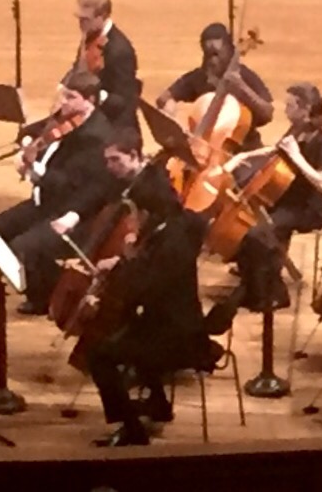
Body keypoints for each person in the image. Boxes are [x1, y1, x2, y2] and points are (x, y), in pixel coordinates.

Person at [87, 130, 210, 447]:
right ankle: (157, 403)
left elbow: (143, 288)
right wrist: (122, 262)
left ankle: (132, 430)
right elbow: (145, 271)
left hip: (178, 336)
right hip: (172, 321)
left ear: (146, 212)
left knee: (99, 355)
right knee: (132, 332)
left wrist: (110, 285)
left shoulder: (170, 243)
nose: (131, 223)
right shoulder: (170, 229)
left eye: (134, 215)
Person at [0, 70, 116, 314]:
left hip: (69, 211)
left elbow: (71, 185)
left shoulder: (96, 137)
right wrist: (27, 143)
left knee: (24, 247)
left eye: (71, 97)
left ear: (89, 100)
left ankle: (46, 295)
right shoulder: (65, 118)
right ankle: (35, 283)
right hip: (44, 201)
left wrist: (35, 170)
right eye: (63, 95)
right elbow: (31, 131)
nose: (63, 102)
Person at [222, 83, 322, 312]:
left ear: (305, 109)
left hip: (306, 206)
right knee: (245, 228)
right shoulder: (296, 129)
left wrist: (297, 156)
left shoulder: (321, 142)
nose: (285, 109)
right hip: (286, 198)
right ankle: (252, 287)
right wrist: (243, 156)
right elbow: (277, 150)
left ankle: (276, 293)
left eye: (290, 105)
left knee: (258, 234)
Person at [159, 23, 275, 151]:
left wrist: (242, 88)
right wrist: (173, 115)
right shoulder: (199, 77)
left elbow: (267, 113)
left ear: (228, 51)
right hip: (204, 149)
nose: (212, 60)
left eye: (216, 54)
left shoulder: (244, 76)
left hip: (244, 150)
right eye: (207, 54)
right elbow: (163, 99)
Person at [74, 0, 141, 129]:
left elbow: (124, 100)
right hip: (90, 119)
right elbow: (78, 71)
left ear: (102, 16)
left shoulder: (119, 50)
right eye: (79, 19)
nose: (81, 24)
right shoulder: (90, 37)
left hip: (113, 128)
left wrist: (95, 95)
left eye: (86, 19)